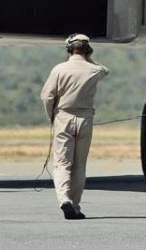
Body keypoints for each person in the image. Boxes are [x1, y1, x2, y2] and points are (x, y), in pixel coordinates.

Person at [40, 33, 110, 220]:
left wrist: (52, 116)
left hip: (64, 117)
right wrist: (89, 57)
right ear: (87, 50)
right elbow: (105, 70)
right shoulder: (93, 70)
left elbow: (47, 96)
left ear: (69, 49)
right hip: (85, 118)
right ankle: (76, 206)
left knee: (63, 163)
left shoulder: (59, 69)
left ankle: (65, 200)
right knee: (79, 165)